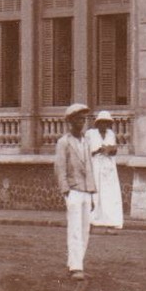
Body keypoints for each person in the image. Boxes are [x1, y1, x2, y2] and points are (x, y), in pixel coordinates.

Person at [53, 103, 96, 280]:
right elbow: (59, 168)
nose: (82, 122)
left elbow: (90, 167)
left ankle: (76, 262)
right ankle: (76, 267)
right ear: (70, 122)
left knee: (85, 229)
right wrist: (66, 191)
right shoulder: (64, 142)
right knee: (75, 229)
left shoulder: (86, 141)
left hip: (86, 191)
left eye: (84, 119)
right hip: (73, 191)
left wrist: (92, 192)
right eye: (78, 119)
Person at [88, 111, 124, 231]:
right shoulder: (90, 134)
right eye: (102, 122)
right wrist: (97, 150)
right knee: (95, 195)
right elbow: (86, 152)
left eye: (106, 123)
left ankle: (111, 223)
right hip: (95, 166)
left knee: (110, 195)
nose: (104, 125)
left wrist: (110, 150)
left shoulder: (110, 134)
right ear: (97, 123)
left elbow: (113, 151)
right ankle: (91, 222)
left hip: (108, 168)